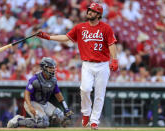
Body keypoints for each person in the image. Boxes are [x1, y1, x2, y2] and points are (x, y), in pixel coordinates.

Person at [36, 2, 118, 130]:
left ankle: (94, 121)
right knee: (85, 89)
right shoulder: (80, 27)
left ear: (98, 14)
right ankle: (86, 113)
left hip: (102, 65)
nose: (89, 12)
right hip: (87, 64)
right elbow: (66, 37)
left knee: (99, 94)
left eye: (92, 11)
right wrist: (49, 37)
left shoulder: (106, 28)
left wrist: (114, 60)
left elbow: (112, 44)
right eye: (89, 10)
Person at [7, 57, 73, 128]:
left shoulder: (53, 80)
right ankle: (19, 120)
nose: (52, 70)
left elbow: (59, 95)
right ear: (43, 68)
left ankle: (41, 120)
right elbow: (26, 93)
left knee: (62, 117)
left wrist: (66, 108)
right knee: (43, 123)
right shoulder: (35, 79)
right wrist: (30, 106)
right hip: (33, 102)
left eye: (53, 68)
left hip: (44, 103)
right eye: (50, 68)